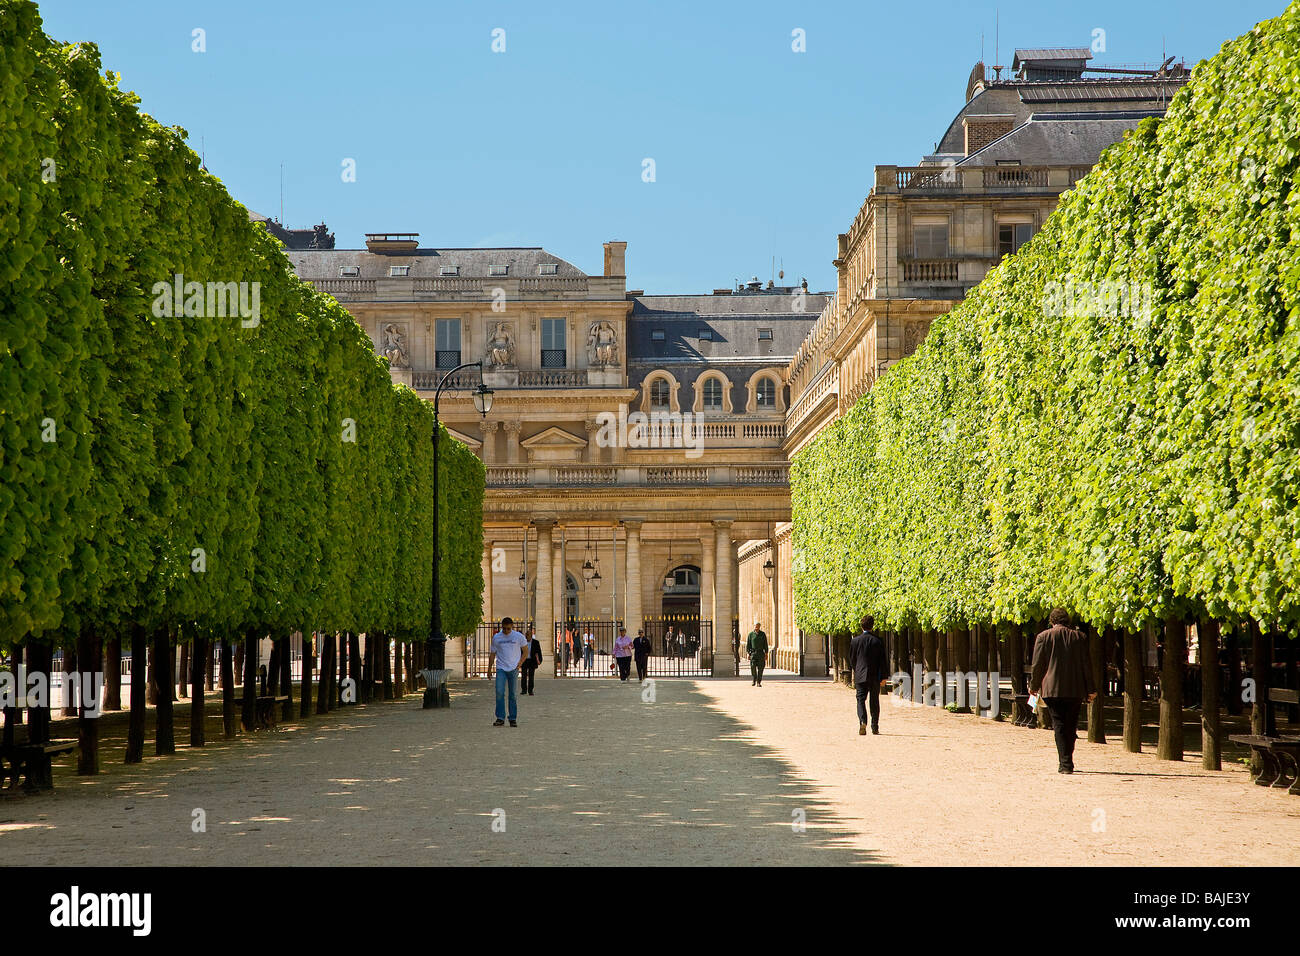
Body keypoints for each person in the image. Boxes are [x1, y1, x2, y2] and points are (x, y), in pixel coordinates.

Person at [1029, 608, 1095, 773]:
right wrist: (1091, 688)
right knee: (1071, 725)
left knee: (1059, 724)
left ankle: (1065, 764)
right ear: (1068, 621)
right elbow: (1086, 665)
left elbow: (1038, 665)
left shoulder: (1043, 637)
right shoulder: (1080, 637)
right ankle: (1068, 760)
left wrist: (1034, 686)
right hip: (1075, 688)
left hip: (1052, 689)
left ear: (1052, 621)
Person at [849, 615, 888, 735]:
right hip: (875, 676)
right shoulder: (878, 641)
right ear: (872, 626)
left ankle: (862, 721)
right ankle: (875, 726)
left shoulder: (855, 641)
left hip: (861, 675)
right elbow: (882, 661)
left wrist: (857, 670)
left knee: (860, 700)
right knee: (874, 701)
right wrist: (884, 677)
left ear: (861, 626)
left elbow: (852, 659)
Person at [491, 617, 530, 727]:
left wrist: (520, 663)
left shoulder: (518, 636)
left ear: (512, 627)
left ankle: (512, 718)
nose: (506, 631)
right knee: (499, 692)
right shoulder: (497, 637)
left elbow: (526, 651)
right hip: (501, 668)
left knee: (512, 694)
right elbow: (492, 653)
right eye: (504, 628)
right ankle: (500, 717)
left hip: (513, 668)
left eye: (508, 628)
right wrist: (489, 669)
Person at [520, 625, 543, 696]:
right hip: (524, 660)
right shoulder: (522, 642)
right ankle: (524, 690)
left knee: (531, 676)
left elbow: (539, 652)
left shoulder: (536, 642)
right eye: (526, 635)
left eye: (528, 635)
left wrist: (539, 660)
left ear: (531, 635)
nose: (527, 636)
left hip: (532, 661)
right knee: (523, 675)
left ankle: (530, 690)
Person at [746, 621, 769, 686]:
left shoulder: (762, 634)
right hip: (753, 653)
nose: (757, 627)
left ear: (759, 627)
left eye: (758, 626)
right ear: (754, 626)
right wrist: (748, 653)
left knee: (761, 668)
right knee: (753, 667)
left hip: (761, 653)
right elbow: (748, 644)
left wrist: (766, 653)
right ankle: (754, 679)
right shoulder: (750, 635)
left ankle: (759, 682)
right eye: (756, 626)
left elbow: (765, 644)